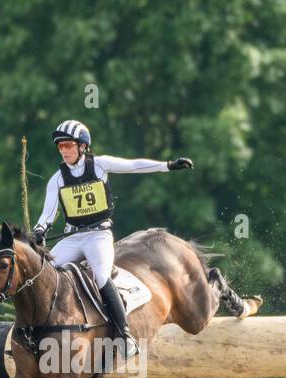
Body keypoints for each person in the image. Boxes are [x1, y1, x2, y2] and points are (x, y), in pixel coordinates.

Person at [30, 119, 193, 358]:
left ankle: (124, 335)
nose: (64, 150)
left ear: (83, 146)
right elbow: (47, 214)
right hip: (73, 237)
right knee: (44, 272)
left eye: (68, 145)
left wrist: (167, 165)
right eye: (60, 147)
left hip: (98, 235)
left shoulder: (99, 165)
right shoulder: (57, 179)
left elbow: (134, 165)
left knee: (102, 275)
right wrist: (40, 230)